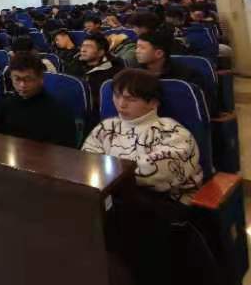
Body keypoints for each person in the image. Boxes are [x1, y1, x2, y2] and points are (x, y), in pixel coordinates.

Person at [82, 69, 207, 285]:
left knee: (121, 225)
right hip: (113, 196)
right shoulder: (107, 127)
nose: (121, 104)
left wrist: (109, 167)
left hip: (163, 202)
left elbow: (160, 174)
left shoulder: (172, 131)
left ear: (153, 103)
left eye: (130, 99)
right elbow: (86, 160)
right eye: (117, 96)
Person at [0, 53, 77, 147]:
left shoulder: (59, 111)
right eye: (17, 79)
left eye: (28, 79)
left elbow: (64, 149)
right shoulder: (5, 103)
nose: (22, 85)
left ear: (41, 78)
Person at [135, 31, 214, 114]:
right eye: (137, 47)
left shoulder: (188, 76)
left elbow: (205, 106)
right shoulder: (135, 75)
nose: (137, 51)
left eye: (142, 48)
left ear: (159, 54)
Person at [65, 33, 123, 113]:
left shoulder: (113, 72)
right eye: (83, 46)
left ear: (101, 52)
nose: (83, 50)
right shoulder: (74, 64)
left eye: (89, 47)